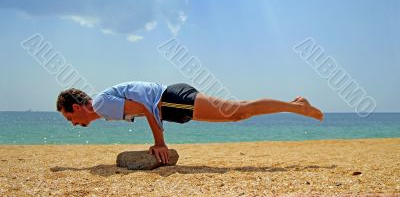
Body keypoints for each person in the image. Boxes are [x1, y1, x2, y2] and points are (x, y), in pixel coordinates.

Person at [56, 81, 323, 164]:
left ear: (77, 107)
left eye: (69, 117)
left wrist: (160, 143)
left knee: (238, 111)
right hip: (171, 104)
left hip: (170, 100)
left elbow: (146, 108)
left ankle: (298, 106)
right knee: (237, 114)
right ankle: (296, 105)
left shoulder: (102, 106)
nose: (72, 123)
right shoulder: (104, 106)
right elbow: (146, 108)